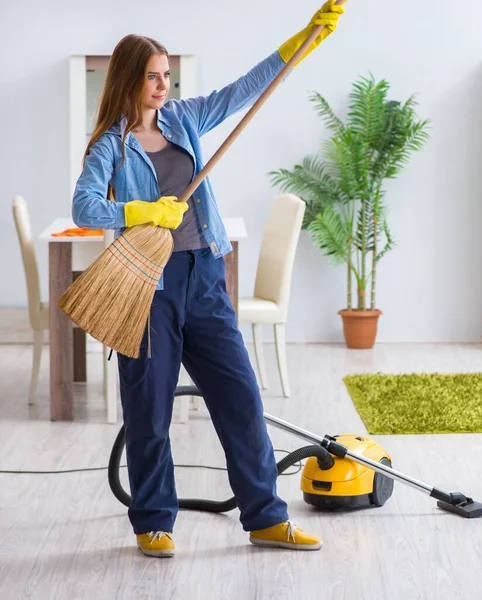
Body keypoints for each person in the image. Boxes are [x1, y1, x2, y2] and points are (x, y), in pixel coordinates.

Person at [72, 1, 346, 557]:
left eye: (167, 76)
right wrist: (141, 211)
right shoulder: (111, 145)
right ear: (129, 78)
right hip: (147, 286)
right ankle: (154, 521)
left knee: (241, 397)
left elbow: (245, 90)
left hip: (205, 275)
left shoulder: (184, 119)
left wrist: (304, 39)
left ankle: (266, 517)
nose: (162, 86)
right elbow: (83, 206)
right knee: (149, 410)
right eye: (152, 76)